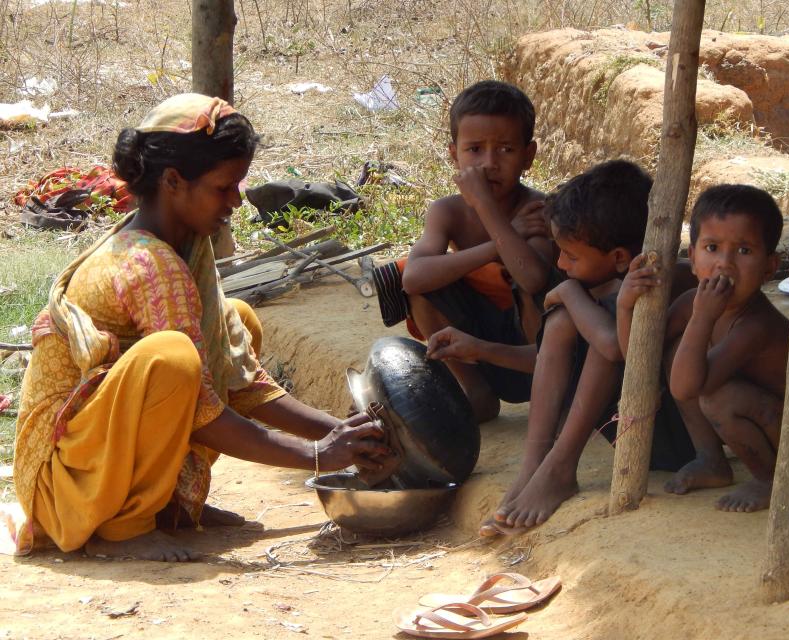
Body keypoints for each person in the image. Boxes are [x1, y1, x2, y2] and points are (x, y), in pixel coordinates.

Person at [4, 94, 390, 562]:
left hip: (89, 458)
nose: (236, 200)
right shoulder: (150, 266)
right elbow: (203, 412)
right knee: (173, 359)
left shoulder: (188, 249)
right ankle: (123, 526)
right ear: (172, 181)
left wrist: (341, 435)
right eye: (224, 186)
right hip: (61, 484)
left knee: (236, 324)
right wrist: (318, 456)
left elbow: (241, 382)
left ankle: (167, 502)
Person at [487, 160, 696, 535]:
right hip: (638, 425)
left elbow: (613, 347)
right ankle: (535, 465)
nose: (561, 264)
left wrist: (567, 292)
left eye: (571, 256)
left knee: (587, 317)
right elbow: (550, 360)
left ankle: (560, 467)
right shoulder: (607, 279)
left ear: (618, 257)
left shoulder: (657, 281)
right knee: (566, 319)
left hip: (677, 444)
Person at [618, 184, 789, 512]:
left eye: (744, 251)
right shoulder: (689, 304)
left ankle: (769, 478)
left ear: (770, 266)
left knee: (715, 394)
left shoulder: (756, 325)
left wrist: (702, 318)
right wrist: (626, 307)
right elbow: (640, 362)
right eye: (712, 247)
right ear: (693, 258)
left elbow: (686, 387)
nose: (724, 264)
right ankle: (711, 460)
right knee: (677, 351)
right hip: (751, 419)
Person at [399, 80, 556, 423]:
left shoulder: (538, 211)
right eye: (474, 150)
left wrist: (485, 205)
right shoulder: (448, 211)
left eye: (505, 149)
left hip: (537, 355)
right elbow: (413, 278)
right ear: (454, 153)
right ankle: (475, 390)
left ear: (528, 156)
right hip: (474, 347)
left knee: (528, 284)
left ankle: (552, 400)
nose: (489, 163)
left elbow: (532, 279)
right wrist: (496, 245)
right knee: (413, 280)